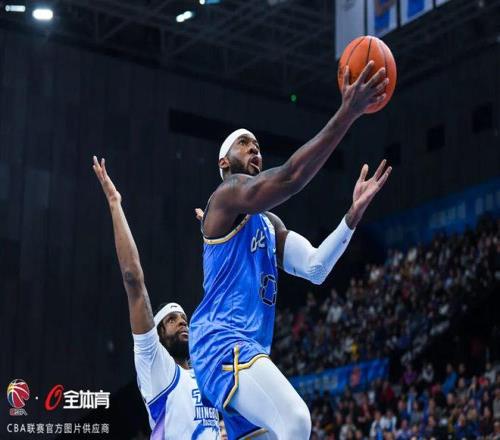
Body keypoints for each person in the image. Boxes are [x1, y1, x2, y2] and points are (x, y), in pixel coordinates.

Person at [189, 61, 391, 439]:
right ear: (223, 162)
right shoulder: (226, 195)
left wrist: (352, 216)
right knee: (297, 421)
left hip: (250, 349)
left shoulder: (269, 224)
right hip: (221, 342)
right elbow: (291, 177)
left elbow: (315, 267)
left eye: (257, 144)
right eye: (244, 143)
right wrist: (347, 113)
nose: (255, 148)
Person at [93, 157, 220, 440]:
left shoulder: (204, 376)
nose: (183, 322)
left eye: (184, 318)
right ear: (159, 334)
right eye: (173, 320)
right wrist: (114, 203)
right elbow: (133, 280)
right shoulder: (156, 365)